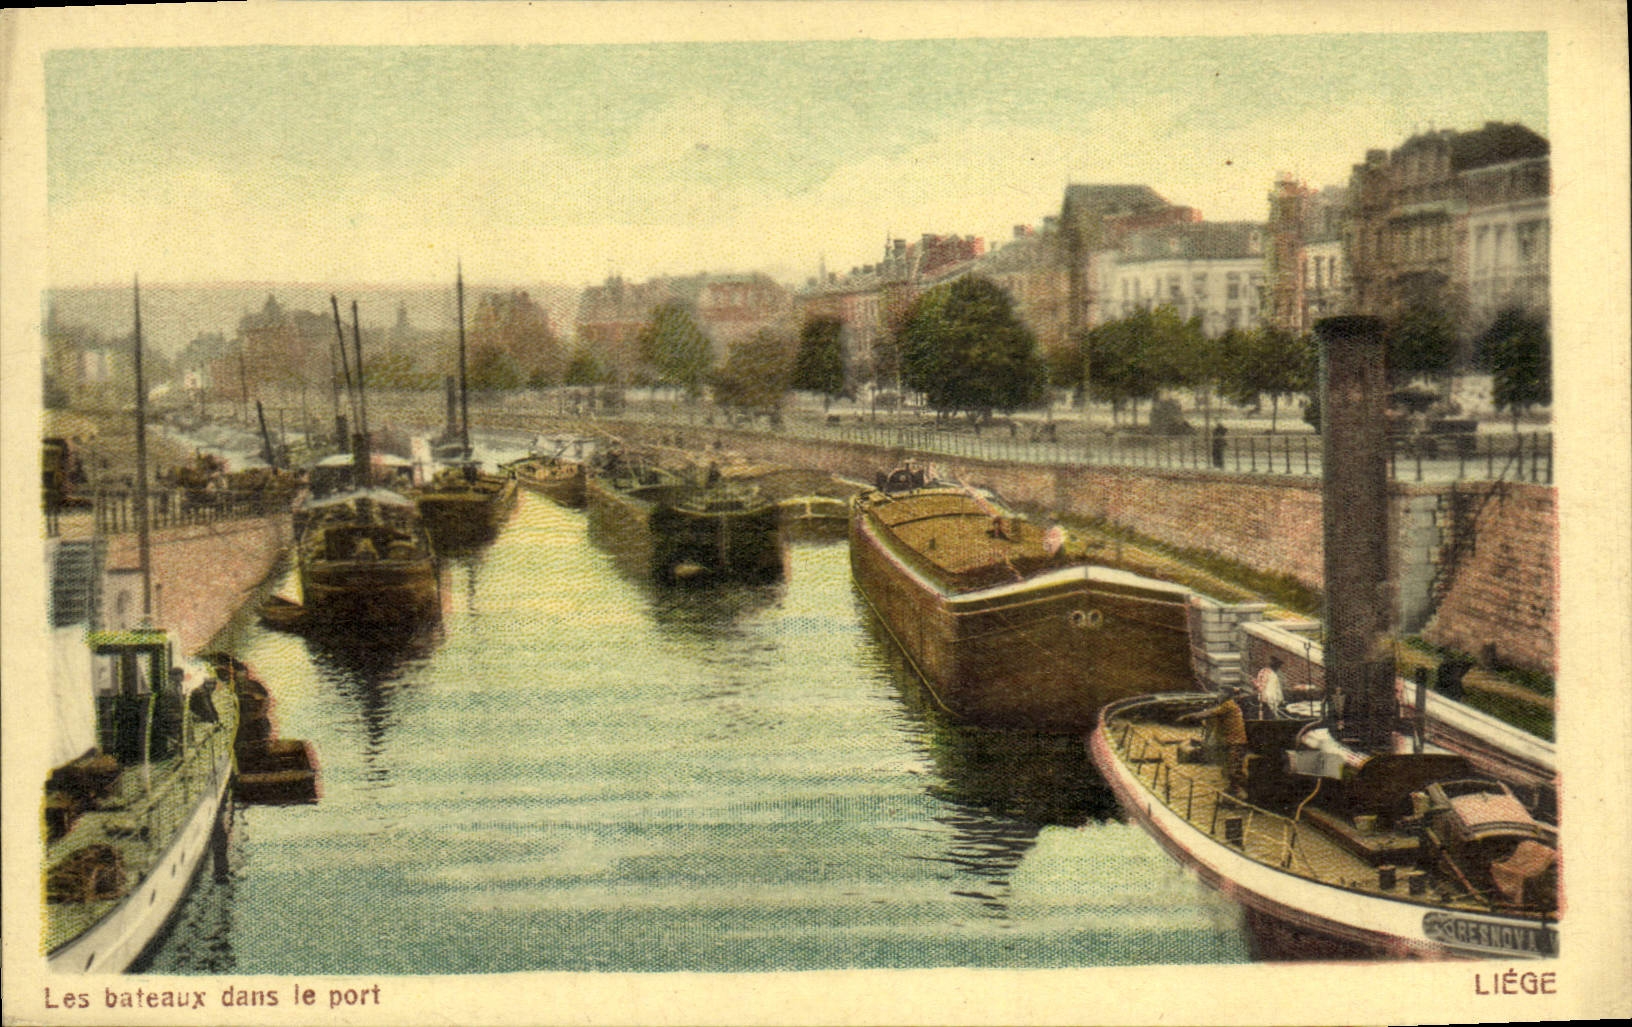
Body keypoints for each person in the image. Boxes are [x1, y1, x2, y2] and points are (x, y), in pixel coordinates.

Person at [1180, 690, 1250, 798]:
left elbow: (1209, 713)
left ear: (1227, 695)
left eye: (1221, 694)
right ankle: (1234, 789)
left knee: (1234, 769)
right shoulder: (1228, 705)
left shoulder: (1228, 705)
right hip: (1230, 742)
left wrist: (1188, 716)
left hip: (1236, 742)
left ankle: (1241, 793)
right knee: (1229, 768)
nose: (1219, 696)